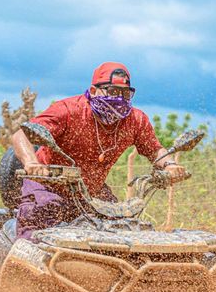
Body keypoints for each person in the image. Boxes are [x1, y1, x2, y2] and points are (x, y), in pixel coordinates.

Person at [11, 61, 187, 240]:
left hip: (90, 191)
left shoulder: (136, 120)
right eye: (113, 92)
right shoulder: (69, 110)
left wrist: (170, 165)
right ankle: (21, 264)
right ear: (94, 91)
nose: (119, 99)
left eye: (125, 93)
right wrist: (31, 163)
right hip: (48, 184)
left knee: (122, 227)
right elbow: (21, 134)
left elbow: (155, 149)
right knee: (39, 222)